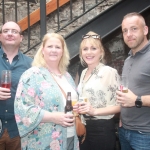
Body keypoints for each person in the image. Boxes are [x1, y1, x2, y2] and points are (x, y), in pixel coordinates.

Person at [14, 33, 79, 150]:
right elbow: (22, 108)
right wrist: (53, 117)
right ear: (43, 50)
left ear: (63, 52)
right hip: (45, 141)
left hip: (70, 137)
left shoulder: (67, 76)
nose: (54, 50)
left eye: (58, 47)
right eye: (50, 46)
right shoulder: (32, 75)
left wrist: (79, 107)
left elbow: (71, 103)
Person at [74, 31, 120, 150]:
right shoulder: (83, 72)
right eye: (85, 49)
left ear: (101, 52)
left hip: (102, 129)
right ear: (81, 53)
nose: (89, 52)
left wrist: (94, 111)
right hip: (84, 127)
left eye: (93, 48)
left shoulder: (109, 72)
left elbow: (120, 106)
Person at [116, 12, 150, 150]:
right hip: (124, 130)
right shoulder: (129, 58)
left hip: (145, 134)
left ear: (145, 30)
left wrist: (137, 100)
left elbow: (133, 97)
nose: (129, 34)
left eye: (134, 29)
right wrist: (122, 118)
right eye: (125, 31)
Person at [0, 21, 32, 150]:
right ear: (0, 36)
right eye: (6, 31)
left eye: (14, 31)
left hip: (19, 130)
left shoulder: (31, 65)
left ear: (21, 38)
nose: (10, 34)